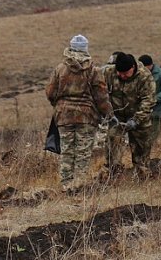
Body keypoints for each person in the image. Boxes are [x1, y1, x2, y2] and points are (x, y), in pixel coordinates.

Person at [45, 34, 112, 190]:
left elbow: (50, 92)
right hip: (86, 117)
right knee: (83, 153)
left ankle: (66, 186)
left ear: (71, 47)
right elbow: (101, 96)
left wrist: (60, 105)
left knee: (67, 152)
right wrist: (108, 113)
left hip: (64, 117)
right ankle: (79, 186)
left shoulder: (60, 69)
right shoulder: (94, 70)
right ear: (85, 49)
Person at [103, 53, 156, 178]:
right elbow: (100, 93)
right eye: (119, 73)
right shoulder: (108, 73)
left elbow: (149, 100)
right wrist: (107, 113)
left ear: (133, 67)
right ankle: (112, 176)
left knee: (141, 149)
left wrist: (136, 120)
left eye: (125, 73)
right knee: (112, 145)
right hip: (117, 118)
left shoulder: (145, 77)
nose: (122, 76)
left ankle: (142, 176)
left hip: (139, 118)